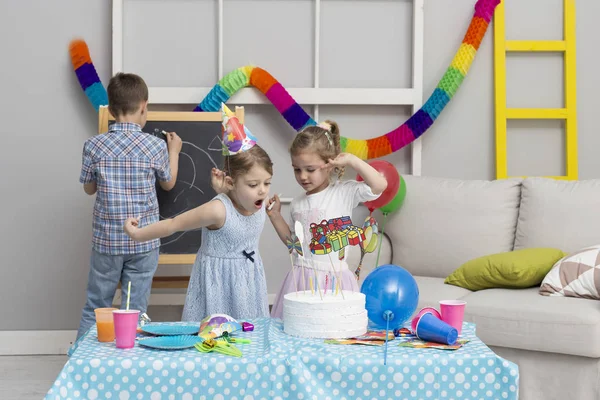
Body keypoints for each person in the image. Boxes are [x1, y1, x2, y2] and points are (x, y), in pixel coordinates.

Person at [124, 104, 272, 321]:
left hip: (249, 286)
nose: (262, 190)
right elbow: (173, 224)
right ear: (231, 182)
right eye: (253, 185)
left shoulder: (259, 199)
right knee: (213, 342)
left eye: (267, 183)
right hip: (218, 289)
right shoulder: (216, 211)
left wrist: (226, 191)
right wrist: (137, 234)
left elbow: (239, 204)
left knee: (249, 340)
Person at [76, 72, 182, 339]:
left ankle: (85, 362)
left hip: (107, 241)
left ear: (110, 109)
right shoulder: (155, 146)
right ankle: (128, 364)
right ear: (144, 106)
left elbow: (89, 189)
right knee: (134, 309)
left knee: (96, 304)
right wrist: (175, 152)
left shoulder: (93, 146)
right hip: (143, 242)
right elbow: (168, 184)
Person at [267, 120, 387, 319]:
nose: (303, 176)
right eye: (297, 169)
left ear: (330, 164)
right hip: (301, 279)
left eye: (310, 169)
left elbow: (380, 184)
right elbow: (293, 245)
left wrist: (352, 160)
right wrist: (275, 216)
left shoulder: (343, 193)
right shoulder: (297, 204)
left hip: (336, 282)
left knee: (334, 331)